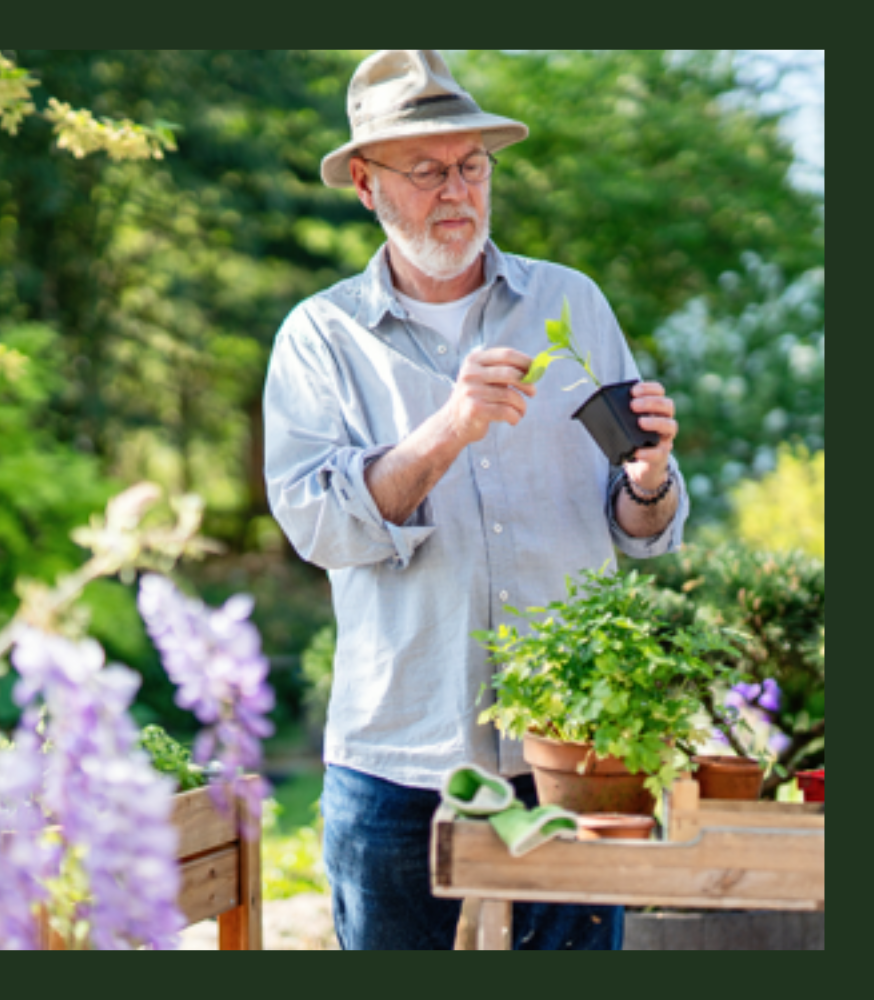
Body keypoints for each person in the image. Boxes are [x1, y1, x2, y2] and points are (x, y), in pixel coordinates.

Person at [263, 50, 689, 950]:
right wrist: (448, 429)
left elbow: (641, 527)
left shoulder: (570, 301)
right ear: (367, 188)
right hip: (397, 756)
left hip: (572, 752)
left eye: (472, 166)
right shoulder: (321, 338)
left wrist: (650, 479)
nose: (456, 191)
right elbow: (319, 525)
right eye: (425, 172)